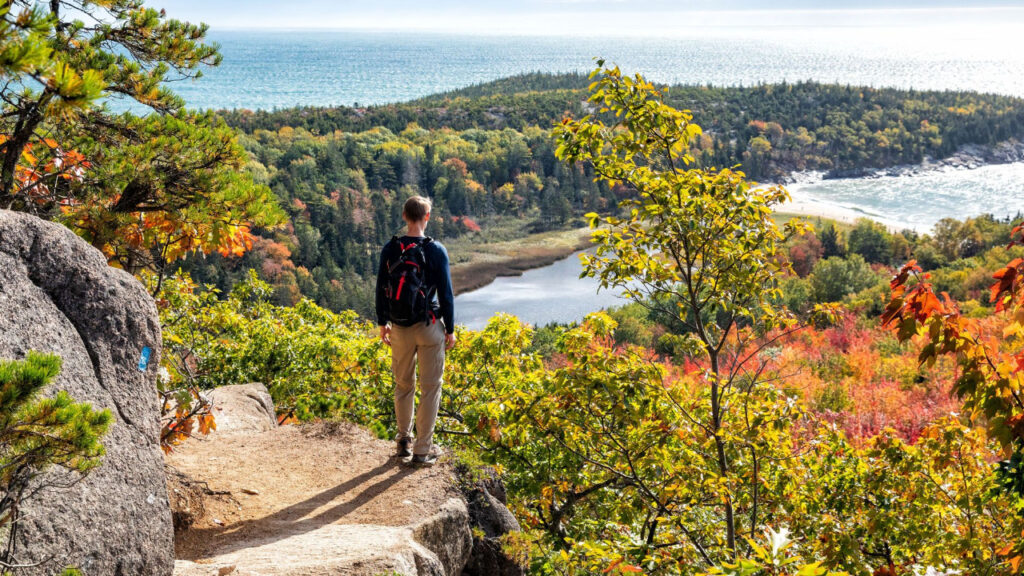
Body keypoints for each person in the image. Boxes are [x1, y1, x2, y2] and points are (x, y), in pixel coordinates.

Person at [376, 195, 456, 465]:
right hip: (429, 325)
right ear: (427, 217)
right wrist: (451, 329)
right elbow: (446, 294)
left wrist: (382, 322)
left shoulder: (391, 248)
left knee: (403, 386)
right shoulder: (436, 250)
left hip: (399, 327)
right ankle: (423, 450)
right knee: (430, 388)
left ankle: (403, 441)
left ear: (404, 216)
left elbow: (380, 288)